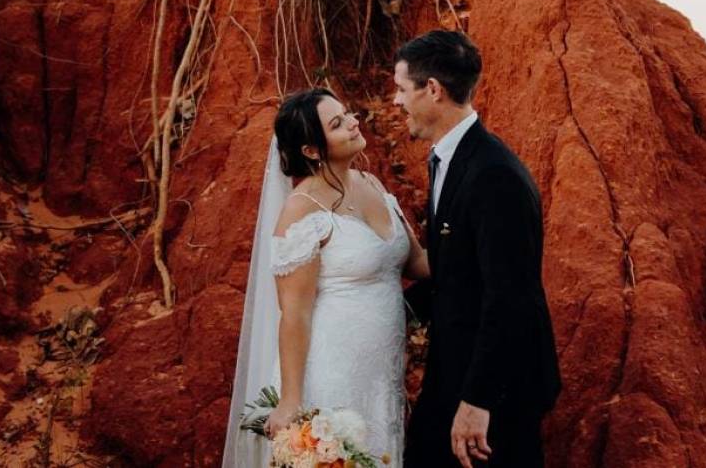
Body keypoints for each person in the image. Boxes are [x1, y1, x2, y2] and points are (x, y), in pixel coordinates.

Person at [222, 88, 429, 467]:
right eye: (337, 123)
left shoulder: (372, 184)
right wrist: (290, 400)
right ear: (312, 151)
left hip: (381, 373)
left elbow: (418, 263)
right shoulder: (302, 211)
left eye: (347, 114)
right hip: (331, 371)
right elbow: (294, 315)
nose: (353, 122)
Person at [396, 30, 561, 468]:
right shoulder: (450, 160)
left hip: (495, 390)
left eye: (401, 89)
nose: (397, 102)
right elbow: (458, 273)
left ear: (432, 90)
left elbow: (512, 297)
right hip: (456, 370)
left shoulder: (493, 175)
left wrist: (477, 401)